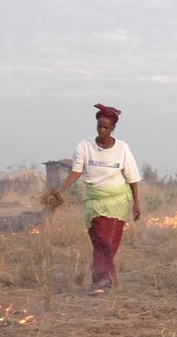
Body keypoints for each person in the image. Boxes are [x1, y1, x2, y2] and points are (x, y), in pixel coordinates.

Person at [56, 103, 141, 295]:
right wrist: (61, 189)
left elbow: (133, 177)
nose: (102, 130)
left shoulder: (122, 148)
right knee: (100, 240)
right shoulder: (85, 146)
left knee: (111, 242)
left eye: (106, 127)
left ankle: (104, 279)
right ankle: (102, 280)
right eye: (99, 126)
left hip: (117, 200)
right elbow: (76, 171)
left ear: (113, 128)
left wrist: (136, 203)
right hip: (94, 199)